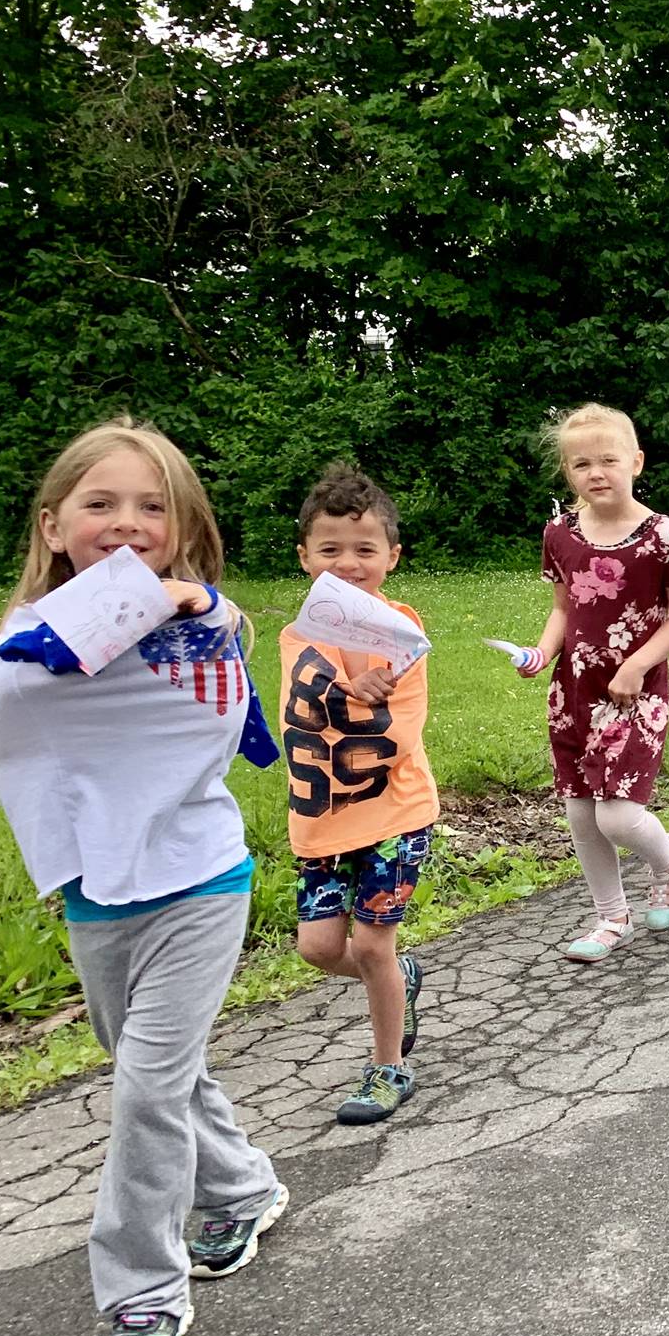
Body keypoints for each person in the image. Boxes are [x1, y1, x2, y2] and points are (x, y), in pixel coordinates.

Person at [0, 419, 286, 1336]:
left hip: (201, 877)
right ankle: (243, 1185)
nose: (126, 523)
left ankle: (141, 1288)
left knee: (145, 1085)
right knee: (160, 1070)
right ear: (53, 522)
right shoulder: (24, 637)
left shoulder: (199, 621)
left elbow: (217, 644)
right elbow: (41, 687)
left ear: (184, 524)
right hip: (98, 889)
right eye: (100, 504)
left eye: (154, 506)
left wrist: (205, 606)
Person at [514, 404, 669, 956]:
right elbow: (563, 608)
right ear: (568, 473)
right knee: (579, 809)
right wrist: (541, 651)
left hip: (635, 691)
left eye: (608, 460)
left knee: (618, 815)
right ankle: (609, 917)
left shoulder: (664, 537)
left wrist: (638, 665)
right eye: (581, 464)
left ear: (636, 462)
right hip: (574, 691)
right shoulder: (560, 534)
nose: (596, 473)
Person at [280, 465, 437, 1124]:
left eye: (365, 549)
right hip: (321, 822)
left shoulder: (398, 632)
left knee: (372, 946)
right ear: (305, 557)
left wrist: (364, 692)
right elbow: (302, 709)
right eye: (331, 549)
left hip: (392, 815)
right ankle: (400, 978)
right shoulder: (299, 634)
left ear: (392, 557)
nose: (348, 563)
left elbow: (395, 723)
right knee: (318, 947)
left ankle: (387, 1067)